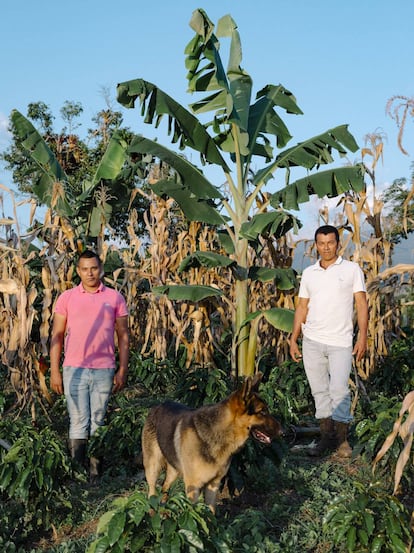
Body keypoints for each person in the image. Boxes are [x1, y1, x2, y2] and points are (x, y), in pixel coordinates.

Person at [50, 250, 129, 481]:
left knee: (97, 420)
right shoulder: (67, 298)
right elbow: (57, 334)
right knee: (78, 420)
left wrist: (122, 369)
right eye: (85, 269)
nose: (90, 273)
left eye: (94, 268)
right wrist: (55, 371)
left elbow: (123, 335)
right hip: (73, 368)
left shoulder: (114, 298)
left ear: (101, 269)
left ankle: (95, 474)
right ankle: (78, 474)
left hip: (104, 369)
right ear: (78, 271)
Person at [289, 225, 368, 458]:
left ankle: (342, 442)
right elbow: (302, 306)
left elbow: (362, 304)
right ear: (316, 245)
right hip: (311, 340)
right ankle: (325, 440)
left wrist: (362, 336)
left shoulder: (352, 270)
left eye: (330, 243)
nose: (326, 248)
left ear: (338, 244)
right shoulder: (310, 272)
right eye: (321, 243)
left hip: (341, 341)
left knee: (339, 390)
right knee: (320, 392)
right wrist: (293, 339)